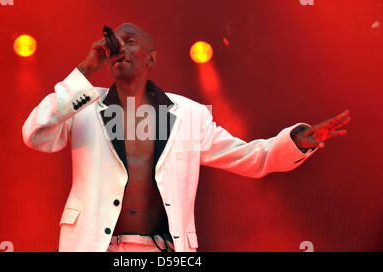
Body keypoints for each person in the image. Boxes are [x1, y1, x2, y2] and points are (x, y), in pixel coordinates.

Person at [22, 23, 350, 252]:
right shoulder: (83, 104)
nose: (120, 48)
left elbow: (252, 158)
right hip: (95, 245)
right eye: (116, 43)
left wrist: (296, 140)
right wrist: (84, 69)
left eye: (130, 41)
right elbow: (34, 134)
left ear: (152, 58)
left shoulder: (189, 114)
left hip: (165, 248)